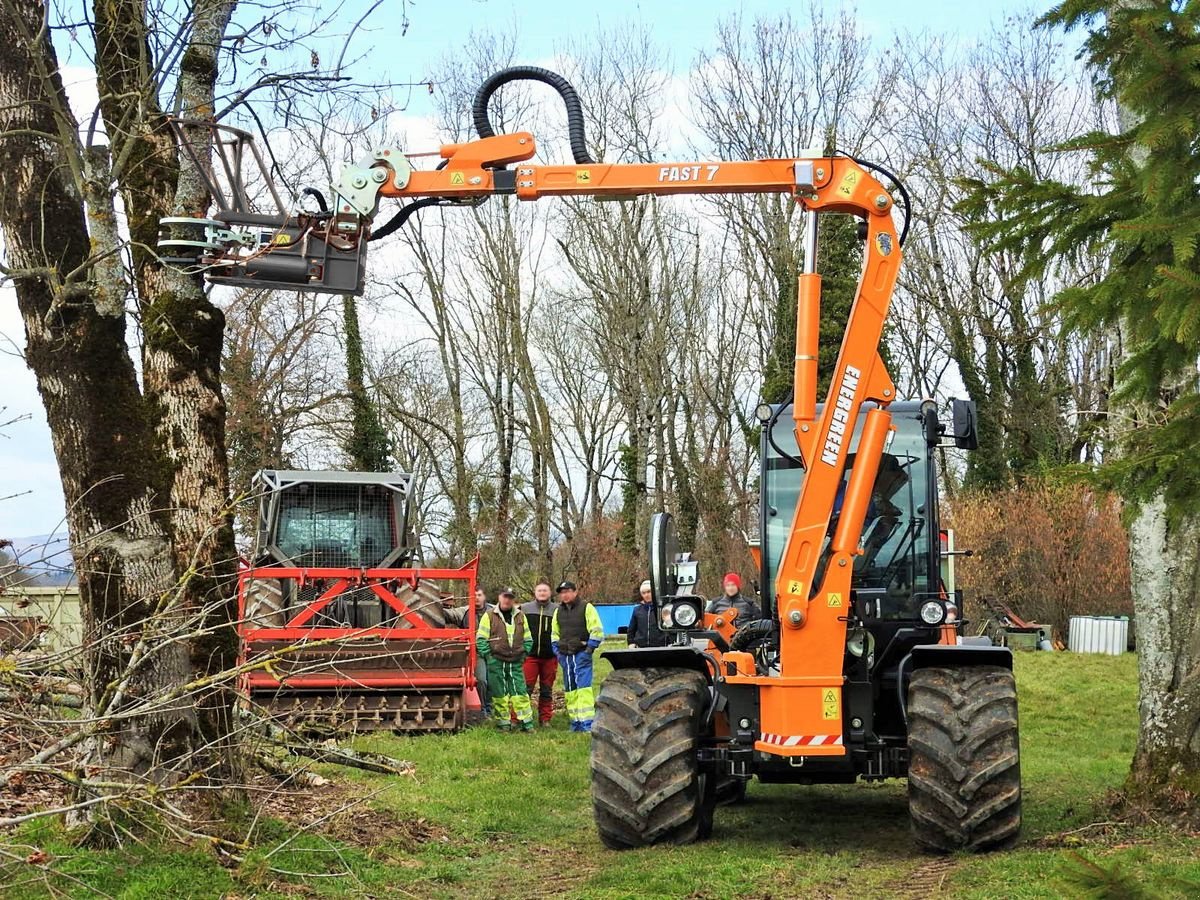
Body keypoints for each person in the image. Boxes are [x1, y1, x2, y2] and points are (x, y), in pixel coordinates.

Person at [476, 588, 534, 731]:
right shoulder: (489, 616)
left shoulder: (521, 616)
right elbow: (481, 639)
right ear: (499, 597)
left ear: (513, 599)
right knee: (499, 694)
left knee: (520, 693)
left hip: (516, 661)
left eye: (510, 597)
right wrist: (489, 658)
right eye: (505, 597)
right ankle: (504, 725)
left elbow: (528, 639)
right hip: (496, 661)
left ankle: (527, 724)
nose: (507, 600)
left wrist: (523, 655)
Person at [550, 581, 603, 732]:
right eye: (562, 592)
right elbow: (554, 633)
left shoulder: (587, 607)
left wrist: (589, 649)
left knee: (584, 689)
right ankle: (575, 723)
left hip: (581, 653)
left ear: (575, 592)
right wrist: (557, 652)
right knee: (570, 691)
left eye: (567, 591)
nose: (565, 595)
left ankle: (587, 724)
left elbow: (597, 630)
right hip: (565, 655)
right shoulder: (558, 611)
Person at [448, 588, 493, 716]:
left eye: (479, 595)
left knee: (493, 682)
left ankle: (490, 708)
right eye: (474, 595)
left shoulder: (494, 611)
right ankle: (484, 710)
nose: (476, 597)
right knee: (482, 680)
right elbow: (446, 614)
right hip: (476, 653)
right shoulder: (464, 612)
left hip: (493, 652)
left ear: (484, 597)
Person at [520, 579, 559, 726]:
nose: (542, 593)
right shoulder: (524, 608)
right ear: (535, 593)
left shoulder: (557, 610)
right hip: (530, 656)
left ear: (550, 593)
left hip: (550, 656)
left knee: (546, 689)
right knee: (525, 688)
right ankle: (520, 717)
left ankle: (545, 719)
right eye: (539, 590)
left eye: (545, 590)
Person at [627, 579, 665, 648]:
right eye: (643, 593)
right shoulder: (637, 610)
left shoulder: (662, 609)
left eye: (648, 592)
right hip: (641, 647)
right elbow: (631, 629)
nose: (646, 595)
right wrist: (631, 642)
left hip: (660, 646)